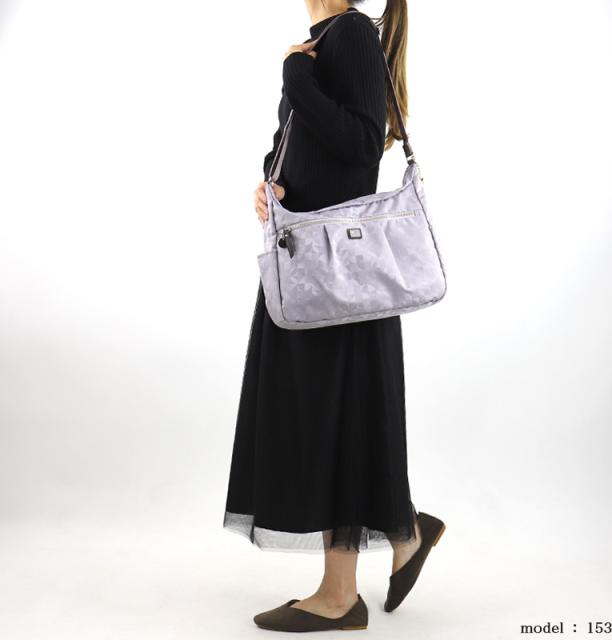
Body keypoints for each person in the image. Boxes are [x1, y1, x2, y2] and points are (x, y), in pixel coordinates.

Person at [223, 0, 445, 631]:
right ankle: (403, 534)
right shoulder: (324, 40)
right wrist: (271, 183)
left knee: (333, 415)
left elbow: (359, 144)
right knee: (333, 412)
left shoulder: (348, 34)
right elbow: (300, 146)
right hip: (311, 269)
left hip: (336, 275)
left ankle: (341, 595)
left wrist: (295, 75)